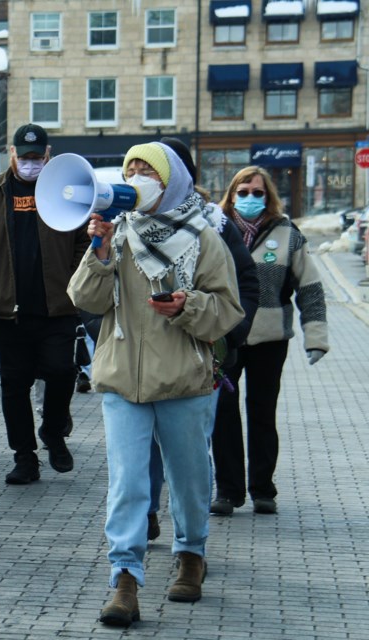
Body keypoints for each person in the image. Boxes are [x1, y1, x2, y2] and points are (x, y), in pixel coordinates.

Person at [68, 142, 244, 627]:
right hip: (123, 380)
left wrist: (187, 306)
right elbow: (86, 298)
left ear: (173, 182)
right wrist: (98, 251)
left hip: (184, 380)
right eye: (132, 169)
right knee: (127, 482)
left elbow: (227, 310)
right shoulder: (118, 233)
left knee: (189, 479)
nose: (138, 176)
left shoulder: (203, 238)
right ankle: (125, 576)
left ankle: (191, 553)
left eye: (149, 169)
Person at [144, 137, 260, 541]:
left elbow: (244, 282)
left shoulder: (214, 223)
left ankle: (189, 536)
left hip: (200, 357)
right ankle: (146, 515)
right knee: (145, 451)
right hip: (142, 361)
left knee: (190, 452)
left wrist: (228, 337)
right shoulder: (129, 223)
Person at [210, 166, 329, 516]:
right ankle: (228, 491)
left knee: (262, 413)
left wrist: (316, 337)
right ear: (231, 194)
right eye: (243, 191)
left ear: (269, 196)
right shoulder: (214, 230)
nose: (250, 198)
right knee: (223, 415)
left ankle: (263, 489)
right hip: (226, 337)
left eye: (257, 192)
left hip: (269, 338)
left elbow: (310, 288)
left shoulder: (287, 234)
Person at [0, 123, 89, 485]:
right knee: (14, 384)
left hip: (57, 305)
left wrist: (72, 280)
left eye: (36, 157)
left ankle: (53, 432)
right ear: (11, 153)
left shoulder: (65, 189)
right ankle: (24, 457)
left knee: (61, 372)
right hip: (6, 308)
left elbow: (81, 242)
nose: (29, 164)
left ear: (48, 154)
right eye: (23, 157)